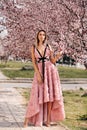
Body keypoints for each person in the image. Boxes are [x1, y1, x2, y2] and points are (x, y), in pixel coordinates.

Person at [24, 30, 65, 127]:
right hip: (39, 71)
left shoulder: (48, 46)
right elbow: (34, 62)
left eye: (43, 35)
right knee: (36, 95)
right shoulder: (33, 47)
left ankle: (48, 120)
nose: (42, 36)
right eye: (40, 34)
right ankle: (27, 119)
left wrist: (58, 55)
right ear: (37, 36)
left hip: (50, 71)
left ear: (45, 36)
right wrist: (38, 74)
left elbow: (52, 60)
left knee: (50, 96)